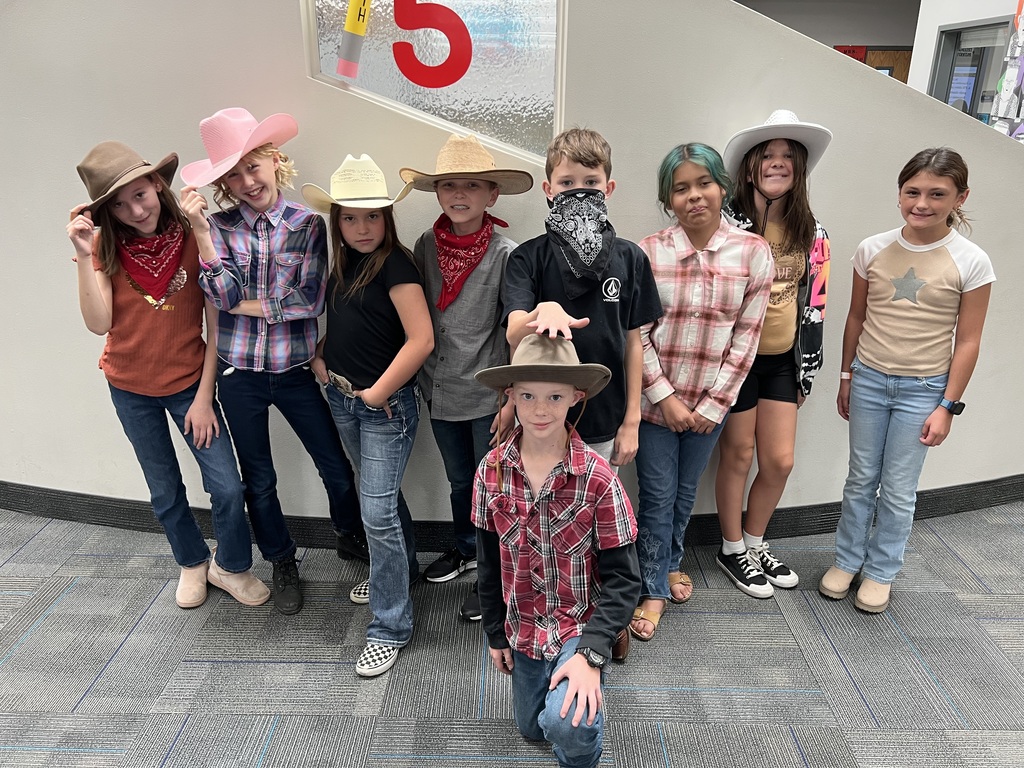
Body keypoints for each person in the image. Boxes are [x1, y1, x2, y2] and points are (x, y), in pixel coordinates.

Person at [179, 108, 367, 617]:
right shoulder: (216, 228)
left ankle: (351, 534)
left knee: (335, 465)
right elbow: (217, 290)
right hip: (239, 376)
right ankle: (282, 560)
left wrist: (237, 303)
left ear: (276, 161)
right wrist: (199, 233)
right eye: (233, 175)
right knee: (258, 478)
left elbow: (309, 301)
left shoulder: (306, 225)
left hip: (295, 372)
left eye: (254, 167)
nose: (246, 182)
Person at [68, 141, 268, 609]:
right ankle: (192, 562)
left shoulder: (193, 238)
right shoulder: (104, 248)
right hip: (129, 387)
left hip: (188, 386)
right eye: (117, 204)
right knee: (163, 487)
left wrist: (203, 398)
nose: (133, 210)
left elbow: (217, 324)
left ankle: (231, 566)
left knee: (226, 485)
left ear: (158, 185)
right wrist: (82, 254)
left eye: (139, 194)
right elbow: (99, 323)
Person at [820, 147, 995, 613]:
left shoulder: (971, 260)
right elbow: (856, 317)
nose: (922, 203)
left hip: (924, 390)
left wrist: (948, 406)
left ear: (960, 197)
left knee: (897, 487)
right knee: (860, 479)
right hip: (870, 381)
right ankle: (847, 559)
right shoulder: (872, 249)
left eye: (938, 194)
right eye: (912, 191)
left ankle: (881, 572)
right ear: (899, 194)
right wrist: (846, 376)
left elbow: (969, 341)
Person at [473, 334, 640, 768]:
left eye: (554, 396)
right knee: (532, 727)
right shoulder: (489, 473)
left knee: (569, 725)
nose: (540, 409)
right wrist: (496, 633)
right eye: (527, 395)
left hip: (577, 628)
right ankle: (573, 691)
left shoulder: (599, 479)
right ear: (510, 396)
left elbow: (625, 578)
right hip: (525, 628)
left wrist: (591, 652)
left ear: (575, 397)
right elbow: (488, 564)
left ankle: (587, 689)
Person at [630, 143, 773, 640]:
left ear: (723, 187)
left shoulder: (753, 253)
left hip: (710, 409)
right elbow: (638, 333)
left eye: (704, 184)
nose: (694, 196)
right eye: (681, 188)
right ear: (668, 199)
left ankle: (669, 562)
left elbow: (747, 338)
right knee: (656, 494)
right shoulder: (648, 251)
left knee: (685, 494)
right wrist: (664, 397)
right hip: (655, 406)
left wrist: (713, 405)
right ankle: (652, 588)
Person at [303, 154, 433, 677]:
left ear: (388, 219)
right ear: (337, 221)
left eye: (372, 216)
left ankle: (390, 626)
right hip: (342, 397)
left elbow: (422, 339)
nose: (362, 227)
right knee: (379, 500)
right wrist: (323, 356)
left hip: (384, 407)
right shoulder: (344, 264)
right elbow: (353, 324)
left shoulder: (396, 264)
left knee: (375, 511)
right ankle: (396, 575)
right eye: (351, 217)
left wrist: (377, 393)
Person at [399, 134, 533, 621]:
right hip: (438, 390)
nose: (460, 195)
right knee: (460, 482)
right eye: (449, 185)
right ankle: (465, 548)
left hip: (488, 394)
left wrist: (512, 396)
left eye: (472, 186)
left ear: (492, 195)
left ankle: (493, 574)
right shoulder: (425, 246)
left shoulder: (506, 253)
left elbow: (516, 331)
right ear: (437, 193)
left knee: (491, 486)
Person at [713, 109, 833, 598]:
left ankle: (757, 542)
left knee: (779, 460)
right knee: (738, 454)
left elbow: (817, 302)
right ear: (749, 167)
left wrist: (808, 372)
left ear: (799, 169)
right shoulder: (726, 227)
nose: (778, 163)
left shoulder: (814, 232)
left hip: (784, 359)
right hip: (736, 361)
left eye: (788, 156)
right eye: (769, 155)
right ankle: (731, 548)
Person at [502, 127, 663, 467]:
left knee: (595, 511)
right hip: (538, 417)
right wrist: (543, 310)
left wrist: (632, 419)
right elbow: (513, 333)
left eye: (591, 183)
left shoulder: (631, 258)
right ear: (549, 190)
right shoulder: (526, 258)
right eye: (566, 183)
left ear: (608, 188)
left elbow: (635, 343)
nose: (579, 192)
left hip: (604, 417)